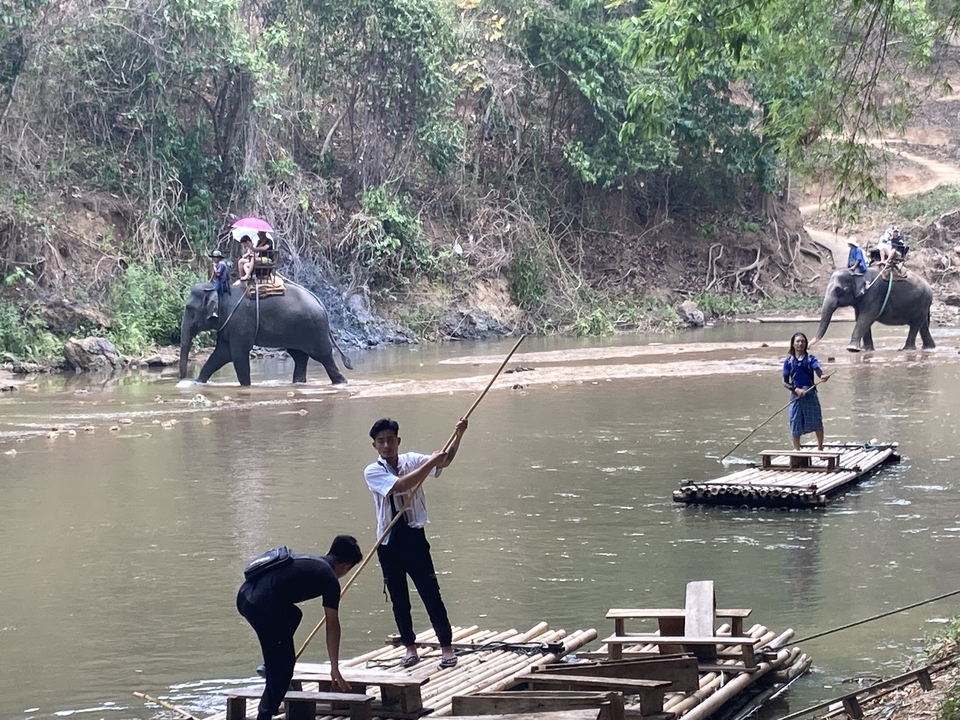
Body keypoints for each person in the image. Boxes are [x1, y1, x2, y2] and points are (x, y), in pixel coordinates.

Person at [363, 416, 468, 670]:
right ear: (375, 446)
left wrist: (459, 435)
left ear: (398, 441)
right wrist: (431, 461)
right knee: (399, 598)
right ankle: (409, 648)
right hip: (388, 542)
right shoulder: (372, 471)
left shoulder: (411, 460)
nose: (386, 445)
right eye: (381, 441)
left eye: (390, 440)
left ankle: (446, 648)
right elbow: (400, 486)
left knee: (431, 593)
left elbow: (445, 461)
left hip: (414, 537)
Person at [236, 535, 363, 720]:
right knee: (283, 669)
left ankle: (269, 666)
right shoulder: (329, 578)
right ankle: (264, 715)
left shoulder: (312, 562)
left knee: (294, 615)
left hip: (244, 597)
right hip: (262, 606)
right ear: (346, 566)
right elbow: (332, 624)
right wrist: (334, 667)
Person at [782, 332, 829, 451]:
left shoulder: (810, 359)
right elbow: (785, 382)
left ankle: (820, 448)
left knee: (816, 420)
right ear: (793, 344)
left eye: (802, 341)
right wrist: (796, 389)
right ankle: (797, 450)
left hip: (810, 393)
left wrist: (822, 376)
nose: (800, 343)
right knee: (795, 421)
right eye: (798, 341)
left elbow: (817, 370)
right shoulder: (788, 362)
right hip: (796, 396)